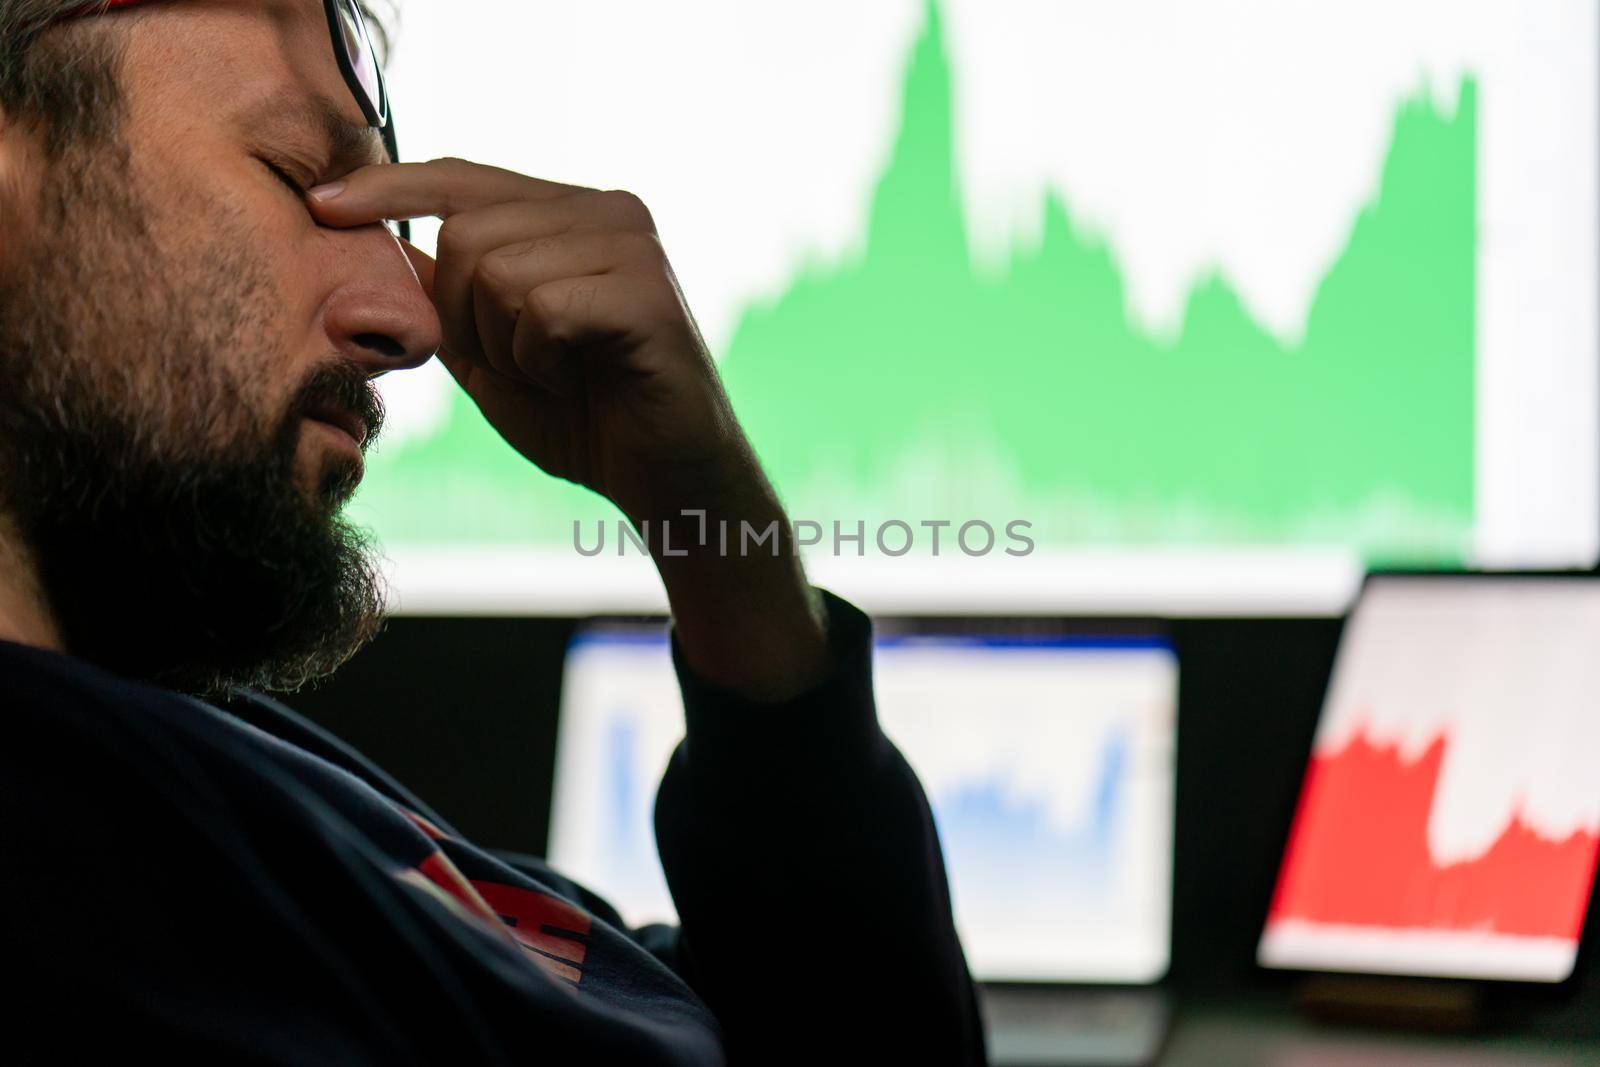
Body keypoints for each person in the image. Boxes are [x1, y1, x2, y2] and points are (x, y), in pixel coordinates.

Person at [0, 0, 986, 1062]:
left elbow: (830, 1029)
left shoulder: (204, 744)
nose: (410, 315)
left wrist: (708, 521)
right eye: (294, 177)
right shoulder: (60, 846)